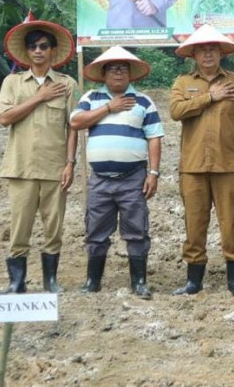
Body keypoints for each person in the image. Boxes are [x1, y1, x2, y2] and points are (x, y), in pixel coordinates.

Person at [169, 25, 234, 298]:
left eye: (212, 49)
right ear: (194, 54)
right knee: (194, 225)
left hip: (228, 164)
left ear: (221, 53)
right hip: (192, 167)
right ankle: (194, 280)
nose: (208, 54)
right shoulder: (183, 82)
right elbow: (175, 111)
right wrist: (210, 97)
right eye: (202, 50)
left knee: (230, 223)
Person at [71, 47, 163, 300]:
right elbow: (76, 122)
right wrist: (109, 108)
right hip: (99, 179)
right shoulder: (91, 98)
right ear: (103, 74)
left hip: (133, 177)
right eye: (112, 68)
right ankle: (93, 281)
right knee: (95, 229)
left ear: (131, 73)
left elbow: (154, 138)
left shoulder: (144, 101)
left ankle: (139, 282)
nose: (118, 72)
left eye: (123, 68)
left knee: (136, 229)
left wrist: (153, 173)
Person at [0, 19, 78, 294]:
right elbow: (5, 118)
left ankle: (50, 281)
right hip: (20, 168)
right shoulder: (13, 83)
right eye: (33, 47)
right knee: (19, 228)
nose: (38, 51)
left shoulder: (67, 85)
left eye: (44, 46)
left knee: (54, 228)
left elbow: (73, 127)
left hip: (55, 168)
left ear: (53, 51)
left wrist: (70, 164)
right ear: (27, 52)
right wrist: (39, 97)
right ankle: (16, 283)